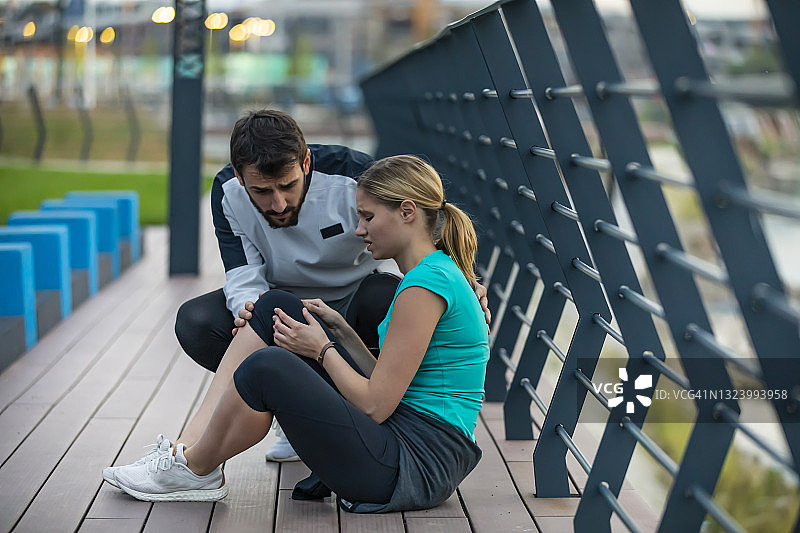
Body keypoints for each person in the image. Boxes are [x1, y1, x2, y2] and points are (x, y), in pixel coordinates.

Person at [105, 155, 490, 512]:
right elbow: (388, 382)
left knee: (268, 367)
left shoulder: (423, 288)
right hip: (404, 442)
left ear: (407, 212)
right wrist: (340, 332)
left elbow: (376, 405)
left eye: (368, 217)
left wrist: (322, 349)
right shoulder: (431, 275)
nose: (359, 229)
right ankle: (189, 454)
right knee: (277, 306)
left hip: (415, 463)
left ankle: (195, 468)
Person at [173, 109, 491, 462]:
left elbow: (422, 225)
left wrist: (464, 281)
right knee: (196, 321)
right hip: (279, 304)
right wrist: (250, 313)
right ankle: (293, 416)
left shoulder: (356, 176)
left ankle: (336, 416)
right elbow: (243, 276)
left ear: (306, 162)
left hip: (354, 303)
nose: (278, 203)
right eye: (262, 191)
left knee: (388, 296)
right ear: (239, 176)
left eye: (288, 186)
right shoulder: (227, 192)